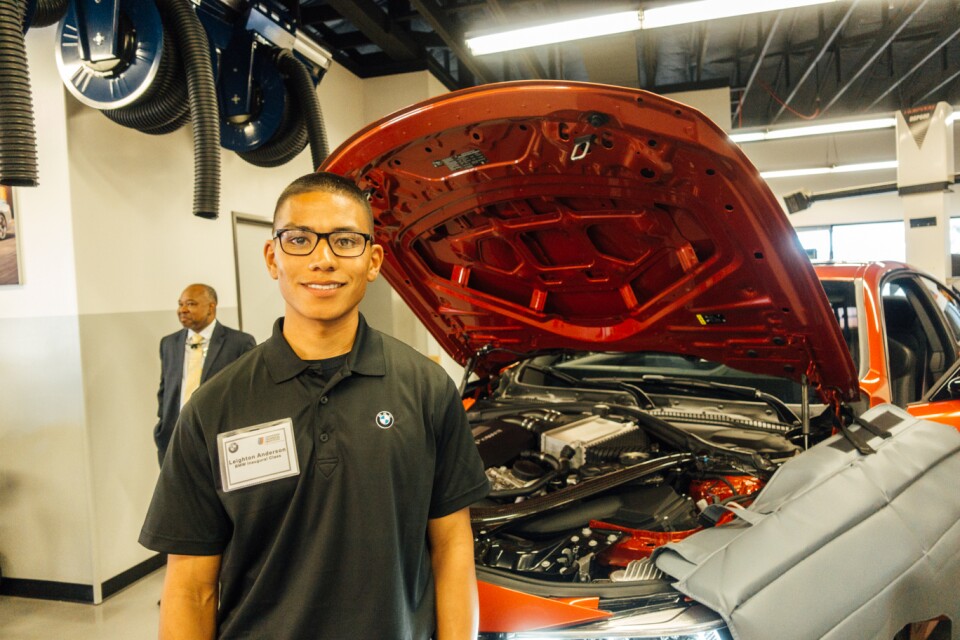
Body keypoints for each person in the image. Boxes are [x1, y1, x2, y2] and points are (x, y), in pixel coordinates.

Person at [140, 172, 489, 639]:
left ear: (373, 260)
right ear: (272, 257)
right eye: (300, 239)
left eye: (345, 241)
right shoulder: (213, 408)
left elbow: (451, 548)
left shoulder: (427, 389)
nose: (323, 259)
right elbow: (190, 587)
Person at [154, 284, 256, 467]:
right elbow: (165, 390)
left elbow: (249, 395)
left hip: (221, 440)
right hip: (174, 438)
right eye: (180, 304)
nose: (182, 310)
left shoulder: (239, 343)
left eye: (191, 304)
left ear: (211, 307)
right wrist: (162, 428)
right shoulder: (169, 343)